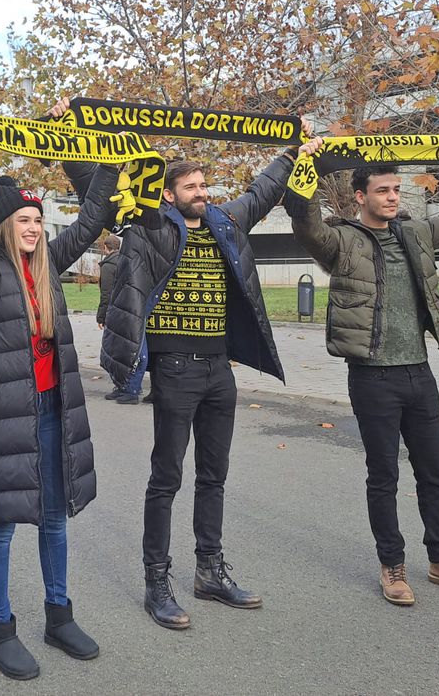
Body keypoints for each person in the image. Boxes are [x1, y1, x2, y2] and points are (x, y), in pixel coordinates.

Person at [94, 114, 321, 631]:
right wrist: (91, 145)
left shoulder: (224, 222)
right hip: (174, 370)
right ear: (168, 195)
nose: (202, 192)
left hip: (221, 370)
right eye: (191, 187)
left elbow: (262, 192)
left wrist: (293, 151)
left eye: (203, 185)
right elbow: (99, 198)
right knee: (166, 478)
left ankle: (209, 572)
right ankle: (156, 582)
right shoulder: (151, 228)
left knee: (214, 475)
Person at [287, 143, 439, 607]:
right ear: (360, 196)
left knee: (434, 474)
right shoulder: (341, 241)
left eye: (395, 189)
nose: (392, 197)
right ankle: (392, 565)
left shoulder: (416, 233)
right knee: (383, 476)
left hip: (419, 374)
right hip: (373, 378)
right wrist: (303, 166)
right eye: (382, 190)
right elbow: (306, 224)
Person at [0, 124, 119, 682]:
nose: (32, 228)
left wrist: (111, 158)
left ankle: (59, 616)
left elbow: (93, 219)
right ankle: (1, 631)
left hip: (54, 412)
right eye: (22, 220)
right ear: (6, 225)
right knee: (2, 526)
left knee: (55, 518)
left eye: (37, 220)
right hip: (3, 418)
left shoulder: (49, 261)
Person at [95, 235, 124, 400]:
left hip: (113, 311)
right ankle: (128, 384)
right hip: (126, 309)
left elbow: (106, 294)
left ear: (106, 247)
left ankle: (120, 384)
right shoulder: (125, 261)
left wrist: (101, 317)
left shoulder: (108, 266)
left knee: (111, 350)